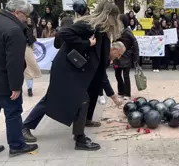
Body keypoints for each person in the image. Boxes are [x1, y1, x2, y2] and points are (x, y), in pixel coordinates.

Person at [21, 2, 125, 151]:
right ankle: (78, 138)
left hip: (76, 71)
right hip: (67, 69)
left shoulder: (102, 31)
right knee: (65, 98)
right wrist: (85, 43)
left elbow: (100, 64)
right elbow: (63, 33)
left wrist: (111, 94)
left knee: (79, 99)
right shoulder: (88, 25)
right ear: (108, 15)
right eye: (115, 17)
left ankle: (79, 134)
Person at [0, 0, 38, 157]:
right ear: (17, 12)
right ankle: (17, 145)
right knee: (13, 112)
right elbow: (14, 62)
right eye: (26, 16)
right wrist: (15, 86)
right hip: (4, 81)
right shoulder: (14, 30)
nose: (26, 20)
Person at [114, 14, 139, 101]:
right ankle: (120, 91)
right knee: (117, 75)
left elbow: (135, 44)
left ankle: (127, 94)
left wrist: (136, 57)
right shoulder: (116, 31)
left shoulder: (128, 32)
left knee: (125, 75)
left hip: (126, 57)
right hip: (117, 57)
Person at [25, 17, 42, 97]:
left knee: (28, 70)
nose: (29, 21)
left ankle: (29, 88)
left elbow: (32, 42)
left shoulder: (30, 29)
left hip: (26, 49)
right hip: (21, 49)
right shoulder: (22, 28)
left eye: (30, 20)